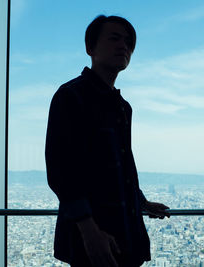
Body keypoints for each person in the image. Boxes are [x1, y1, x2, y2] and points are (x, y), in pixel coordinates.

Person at [45, 15, 171, 267]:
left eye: (129, 42)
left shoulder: (123, 107)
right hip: (92, 239)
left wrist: (140, 200)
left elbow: (118, 165)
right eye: (114, 38)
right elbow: (62, 171)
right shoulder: (71, 96)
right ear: (90, 48)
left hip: (125, 232)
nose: (124, 46)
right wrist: (89, 231)